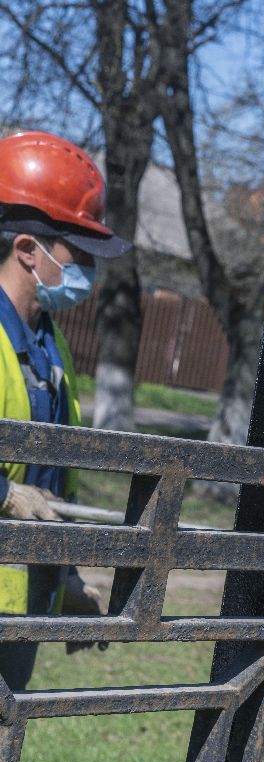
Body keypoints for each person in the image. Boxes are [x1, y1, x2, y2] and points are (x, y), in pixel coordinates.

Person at [0, 131, 130, 689]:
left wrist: (67, 577)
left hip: (19, 602)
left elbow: (50, 483)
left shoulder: (51, 350)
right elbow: (18, 491)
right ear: (28, 249)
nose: (90, 275)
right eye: (78, 252)